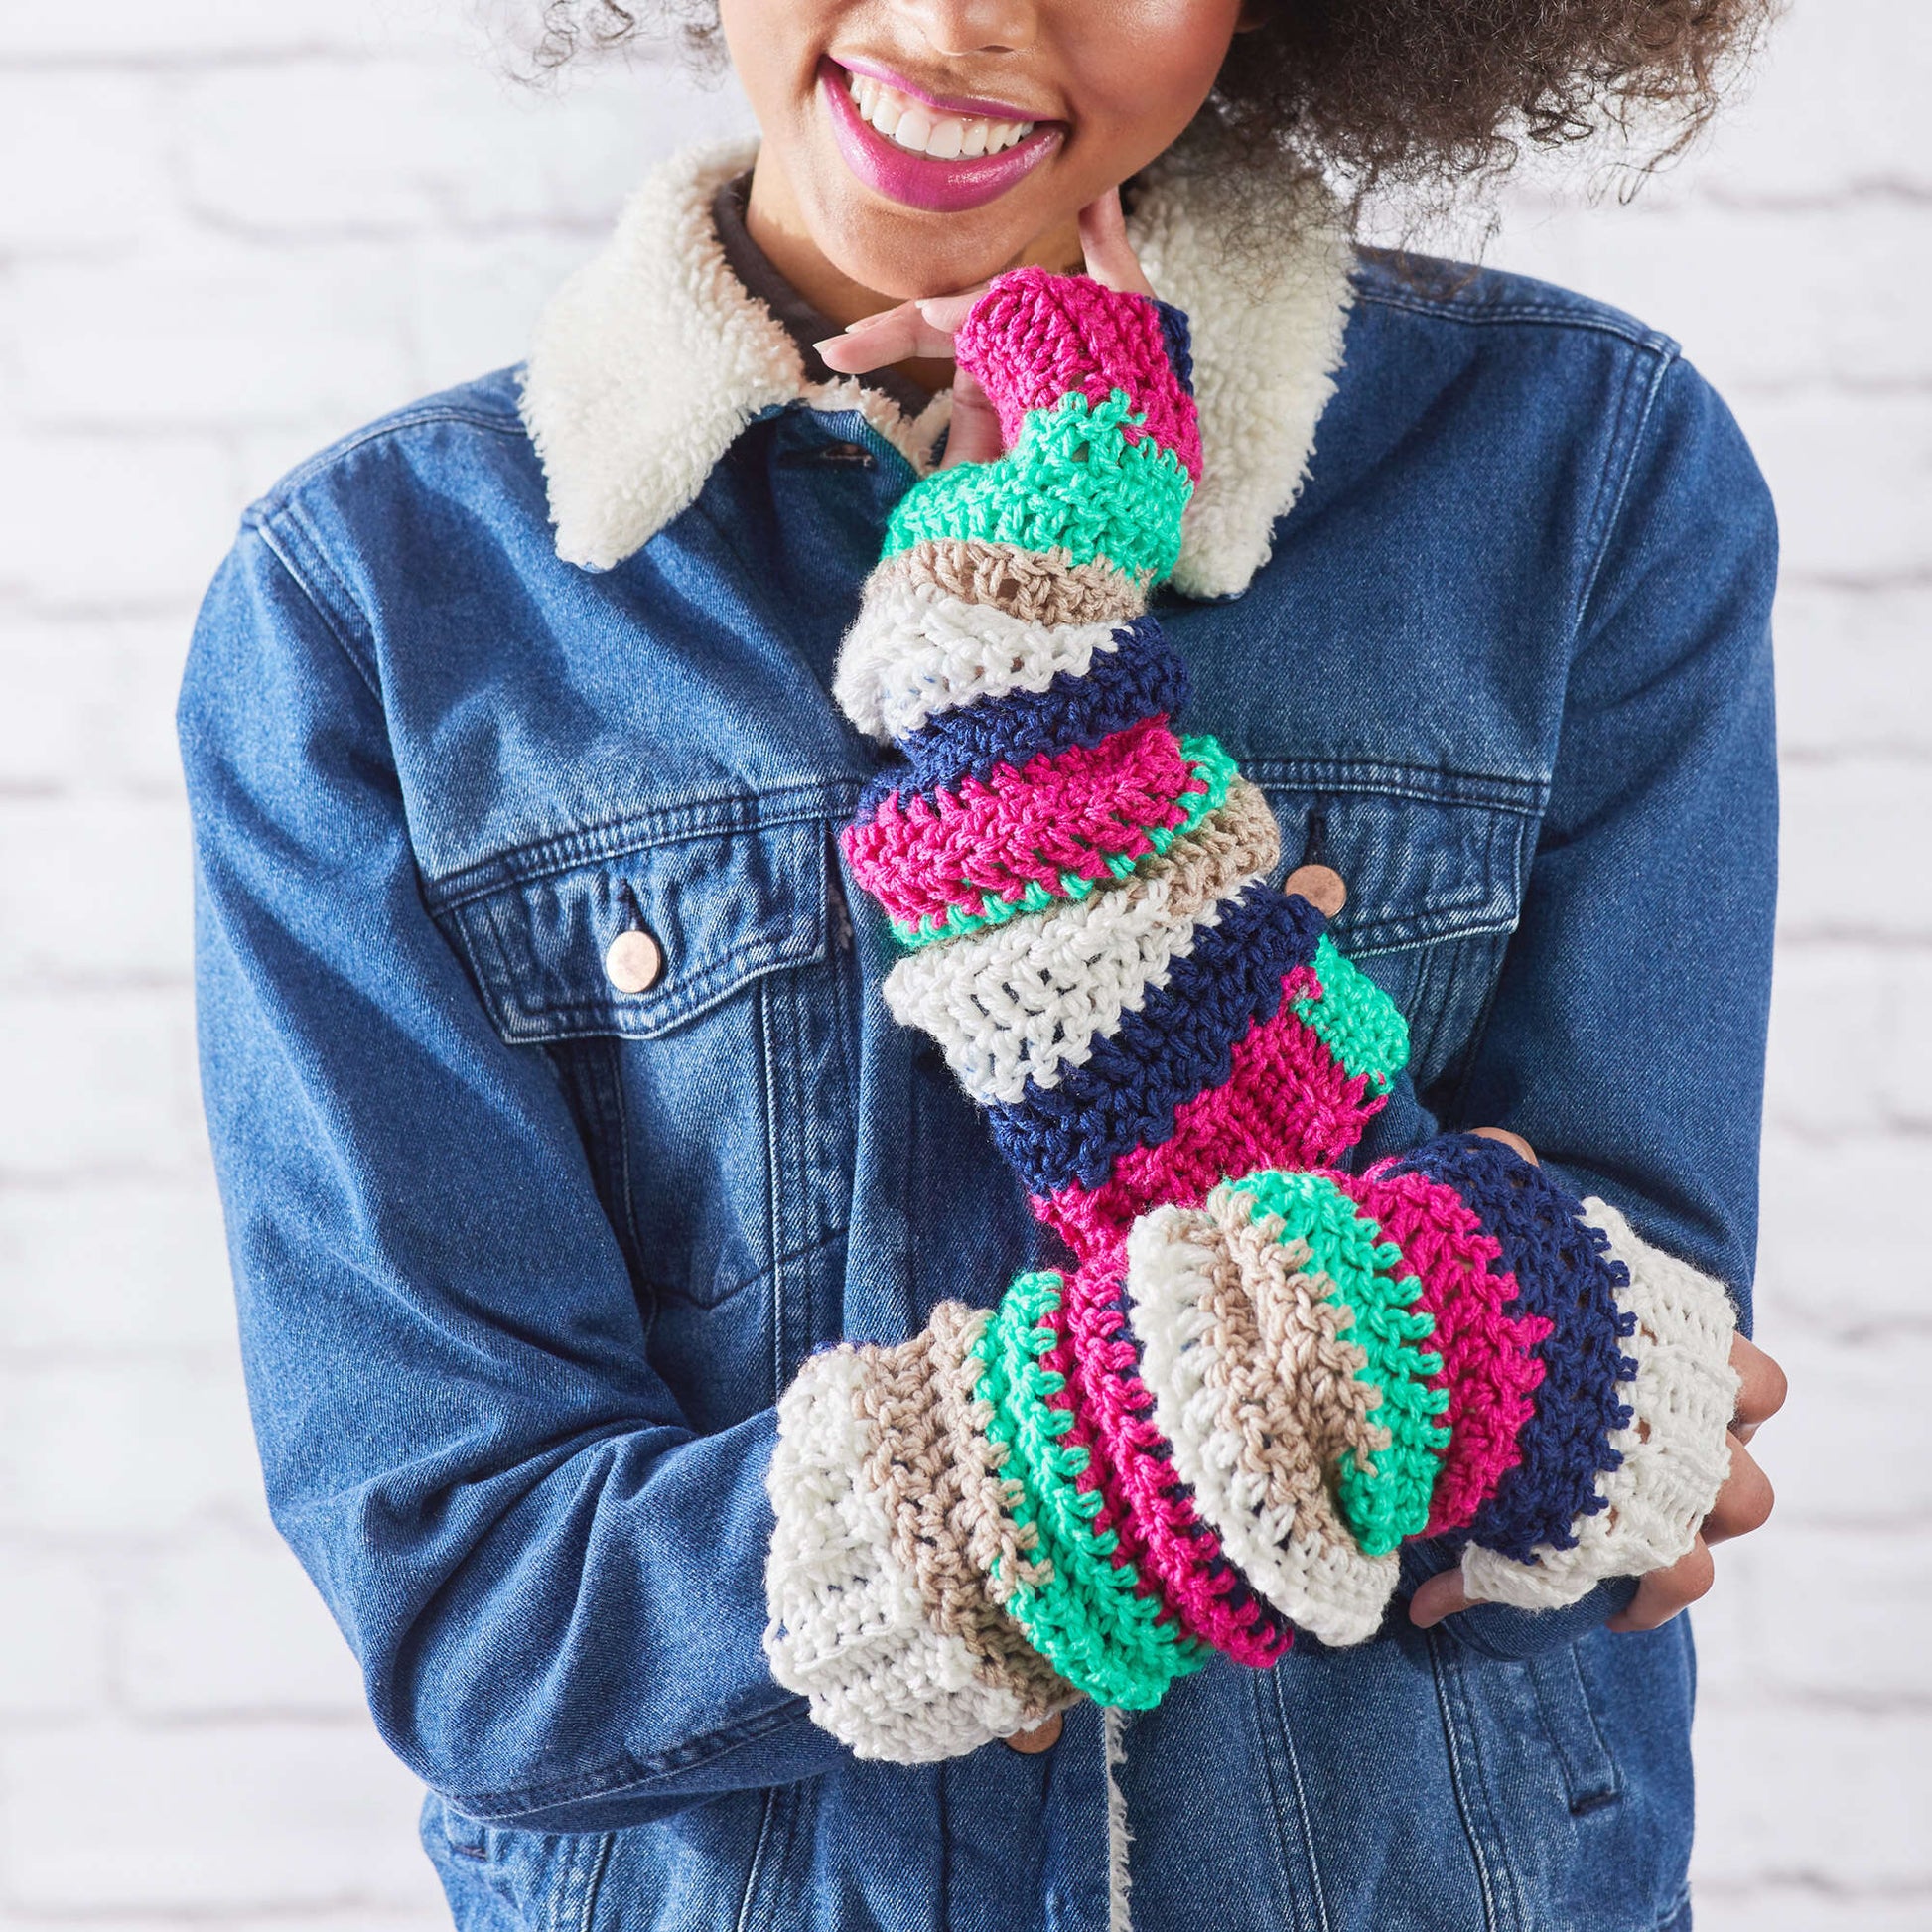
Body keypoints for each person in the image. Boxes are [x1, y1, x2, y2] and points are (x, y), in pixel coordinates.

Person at [180, 2, 1788, 1927]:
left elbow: (1636, 1459)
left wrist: (1060, 791)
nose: (966, 18)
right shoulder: (371, 602)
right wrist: (1180, 1435)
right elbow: (488, 1619)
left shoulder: (1574, 471)